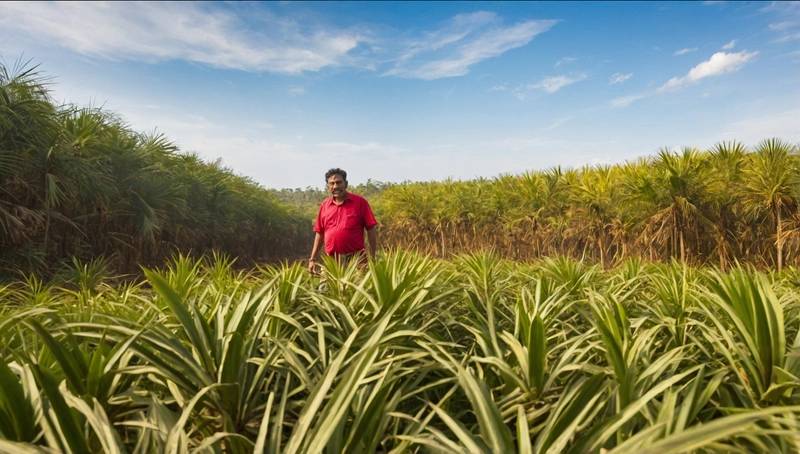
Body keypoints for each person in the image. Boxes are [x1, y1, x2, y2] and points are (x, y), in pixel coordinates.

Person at [308, 168, 378, 272]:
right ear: (328, 186)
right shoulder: (325, 206)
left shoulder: (360, 203)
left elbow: (371, 229)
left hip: (356, 259)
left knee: (358, 283)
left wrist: (372, 257)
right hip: (332, 260)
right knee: (327, 283)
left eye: (339, 182)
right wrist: (312, 259)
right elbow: (320, 233)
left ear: (346, 184)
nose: (335, 186)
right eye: (332, 183)